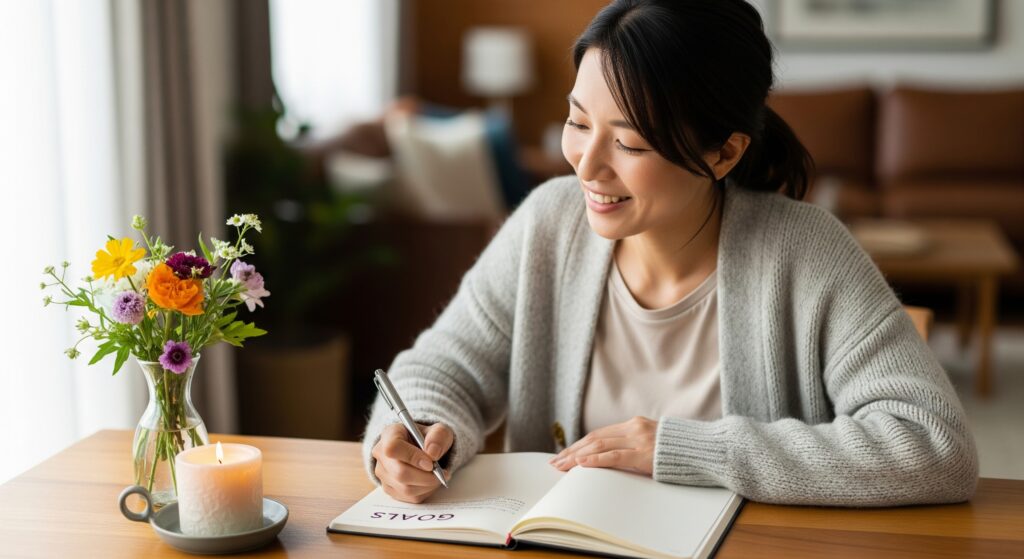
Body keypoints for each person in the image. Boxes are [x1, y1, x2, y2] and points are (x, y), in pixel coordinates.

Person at [362, 0, 978, 507]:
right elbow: (447, 366)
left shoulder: (808, 254)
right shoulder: (549, 221)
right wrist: (413, 433)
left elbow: (934, 444)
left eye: (629, 143)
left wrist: (689, 451)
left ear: (724, 154)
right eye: (578, 123)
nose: (587, 164)